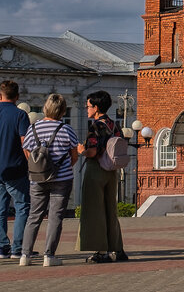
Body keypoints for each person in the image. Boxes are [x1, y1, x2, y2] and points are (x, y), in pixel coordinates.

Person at [18, 93, 79, 267]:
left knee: (34, 216)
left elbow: (27, 152)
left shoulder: (33, 128)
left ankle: (25, 255)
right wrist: (64, 167)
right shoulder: (66, 129)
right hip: (62, 179)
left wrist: (38, 167)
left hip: (36, 179)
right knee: (55, 217)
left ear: (45, 108)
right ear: (62, 111)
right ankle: (49, 256)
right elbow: (74, 155)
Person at [75, 90, 128, 263]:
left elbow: (92, 151)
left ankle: (101, 251)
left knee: (95, 210)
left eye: (89, 106)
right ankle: (117, 249)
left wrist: (81, 150)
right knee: (110, 209)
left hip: (96, 169)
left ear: (96, 108)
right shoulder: (114, 125)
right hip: (111, 170)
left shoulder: (96, 126)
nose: (86, 108)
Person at [0, 79, 31, 260]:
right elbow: (24, 142)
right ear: (17, 97)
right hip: (16, 169)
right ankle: (17, 248)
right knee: (22, 207)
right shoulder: (20, 115)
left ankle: (2, 248)